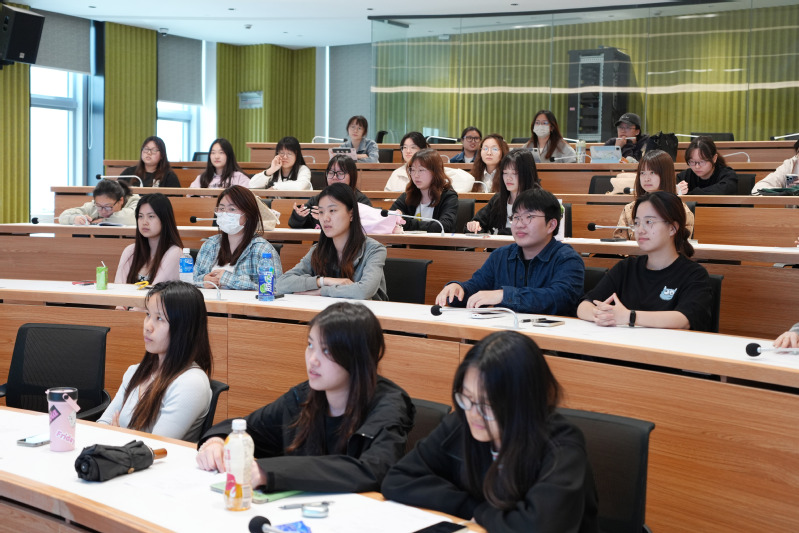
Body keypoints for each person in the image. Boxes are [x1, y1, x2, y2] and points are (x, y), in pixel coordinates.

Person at [381, 330, 599, 532]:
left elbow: (538, 527)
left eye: (487, 405)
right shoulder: (462, 421)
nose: (474, 414)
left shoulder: (561, 446)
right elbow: (398, 479)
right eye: (467, 397)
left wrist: (483, 514)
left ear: (524, 401)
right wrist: (473, 508)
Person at [196, 302, 414, 493]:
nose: (313, 360)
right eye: (310, 345)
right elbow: (248, 427)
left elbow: (373, 470)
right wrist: (217, 441)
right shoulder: (303, 396)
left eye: (326, 351)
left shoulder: (389, 404)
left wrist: (270, 472)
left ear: (357, 357)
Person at [578, 191, 712, 331]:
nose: (640, 230)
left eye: (649, 222)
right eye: (636, 223)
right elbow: (584, 305)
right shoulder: (626, 268)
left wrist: (629, 317)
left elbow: (684, 320)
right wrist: (600, 314)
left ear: (672, 228)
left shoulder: (694, 274)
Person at [436, 188, 583, 315]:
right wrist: (458, 289)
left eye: (529, 217)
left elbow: (561, 298)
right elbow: (476, 286)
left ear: (551, 225)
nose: (519, 224)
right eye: (516, 217)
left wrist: (504, 295)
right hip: (504, 333)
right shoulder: (501, 256)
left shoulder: (567, 259)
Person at [98, 281, 213, 442]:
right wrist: (113, 436)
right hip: (118, 455)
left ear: (184, 328)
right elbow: (102, 425)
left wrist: (117, 436)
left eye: (159, 318)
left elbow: (153, 448)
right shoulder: (135, 371)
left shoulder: (190, 383)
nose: (148, 326)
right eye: (148, 315)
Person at [278, 183, 388, 300]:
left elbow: (363, 291)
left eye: (332, 210)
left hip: (365, 311)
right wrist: (324, 281)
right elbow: (281, 284)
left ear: (351, 214)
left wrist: (320, 291)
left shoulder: (374, 250)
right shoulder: (318, 250)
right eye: (321, 212)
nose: (325, 218)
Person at [194, 185, 283, 290]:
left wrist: (229, 280)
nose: (225, 214)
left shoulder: (263, 249)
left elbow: (275, 289)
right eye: (221, 209)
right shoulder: (210, 244)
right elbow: (191, 280)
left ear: (248, 214)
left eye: (232, 209)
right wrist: (203, 280)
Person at [614, 150, 695, 240]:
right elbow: (619, 242)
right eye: (642, 173)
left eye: (652, 172)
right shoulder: (629, 209)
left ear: (665, 175)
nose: (646, 178)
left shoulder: (682, 211)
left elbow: (681, 244)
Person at [466, 149, 541, 235]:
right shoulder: (497, 199)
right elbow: (477, 223)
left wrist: (501, 233)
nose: (508, 178)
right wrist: (474, 226)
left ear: (527, 173)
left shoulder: (539, 201)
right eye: (505, 173)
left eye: (514, 173)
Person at [288, 155, 373, 229]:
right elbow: (295, 224)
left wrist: (327, 218)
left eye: (340, 173)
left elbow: (364, 228)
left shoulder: (361, 201)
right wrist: (299, 216)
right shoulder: (317, 200)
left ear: (352, 176)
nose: (334, 177)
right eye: (331, 172)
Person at [115, 193, 183, 284]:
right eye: (140, 216)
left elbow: (156, 289)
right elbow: (119, 287)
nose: (144, 222)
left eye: (151, 216)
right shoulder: (130, 251)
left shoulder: (175, 252)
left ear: (164, 219)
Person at [389, 148, 459, 233]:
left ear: (435, 172)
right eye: (413, 170)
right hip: (409, 241)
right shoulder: (408, 195)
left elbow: (444, 226)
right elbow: (390, 218)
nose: (416, 175)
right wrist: (398, 217)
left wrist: (407, 223)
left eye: (421, 170)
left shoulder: (449, 196)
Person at [384, 131, 474, 193]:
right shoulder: (397, 174)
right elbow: (387, 200)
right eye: (404, 147)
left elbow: (468, 180)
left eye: (413, 147)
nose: (407, 151)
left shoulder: (435, 170)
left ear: (423, 150)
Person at [58, 179, 140, 226]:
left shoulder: (135, 201)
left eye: (108, 207)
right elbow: (63, 216)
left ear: (121, 200)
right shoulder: (95, 206)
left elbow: (131, 218)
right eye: (99, 206)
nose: (103, 211)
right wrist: (75, 218)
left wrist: (103, 221)